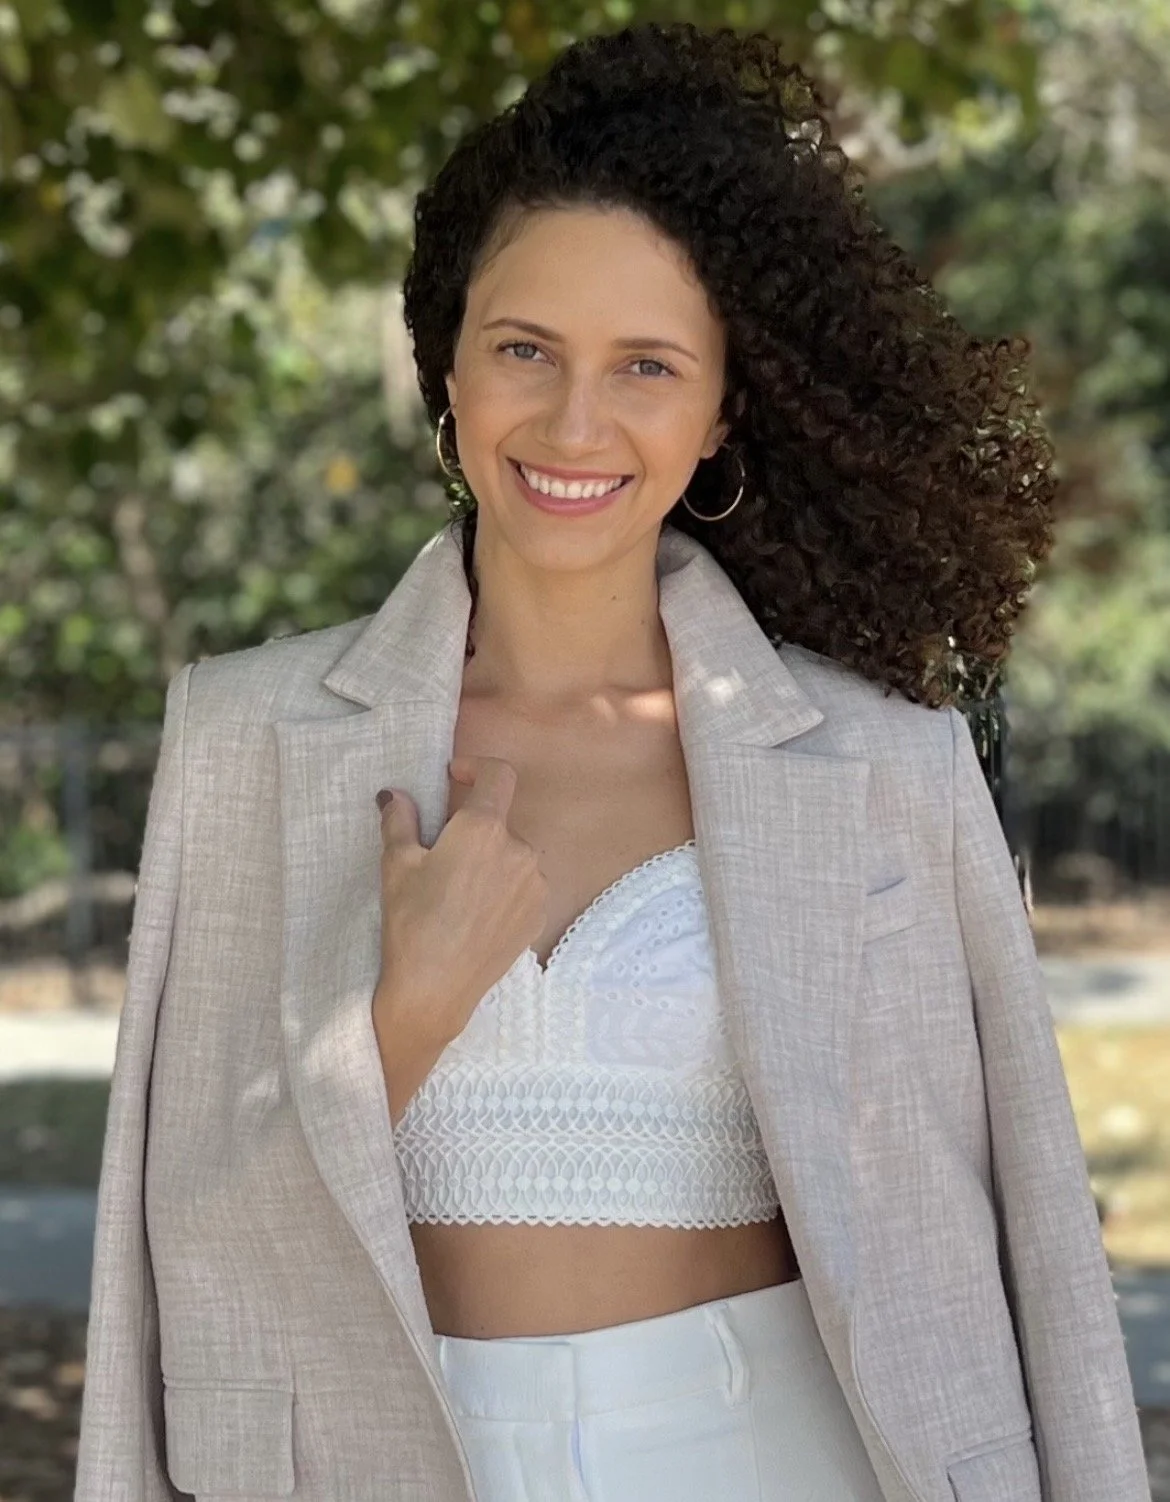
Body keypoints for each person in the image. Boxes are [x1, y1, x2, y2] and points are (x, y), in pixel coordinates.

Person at [74, 21, 1150, 1502]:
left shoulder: (887, 765)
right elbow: (170, 1250)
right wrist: (395, 1022)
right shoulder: (244, 738)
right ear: (447, 364)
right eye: (524, 348)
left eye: (645, 365)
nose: (574, 421)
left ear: (719, 410)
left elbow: (1031, 1237)